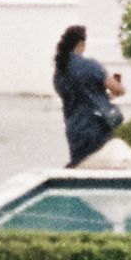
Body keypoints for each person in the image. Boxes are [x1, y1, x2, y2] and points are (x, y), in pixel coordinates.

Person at [52, 23, 126, 166]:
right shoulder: (90, 66)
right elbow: (118, 89)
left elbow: (78, 96)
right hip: (96, 126)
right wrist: (113, 91)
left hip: (74, 128)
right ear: (81, 43)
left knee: (81, 163)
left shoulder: (59, 71)